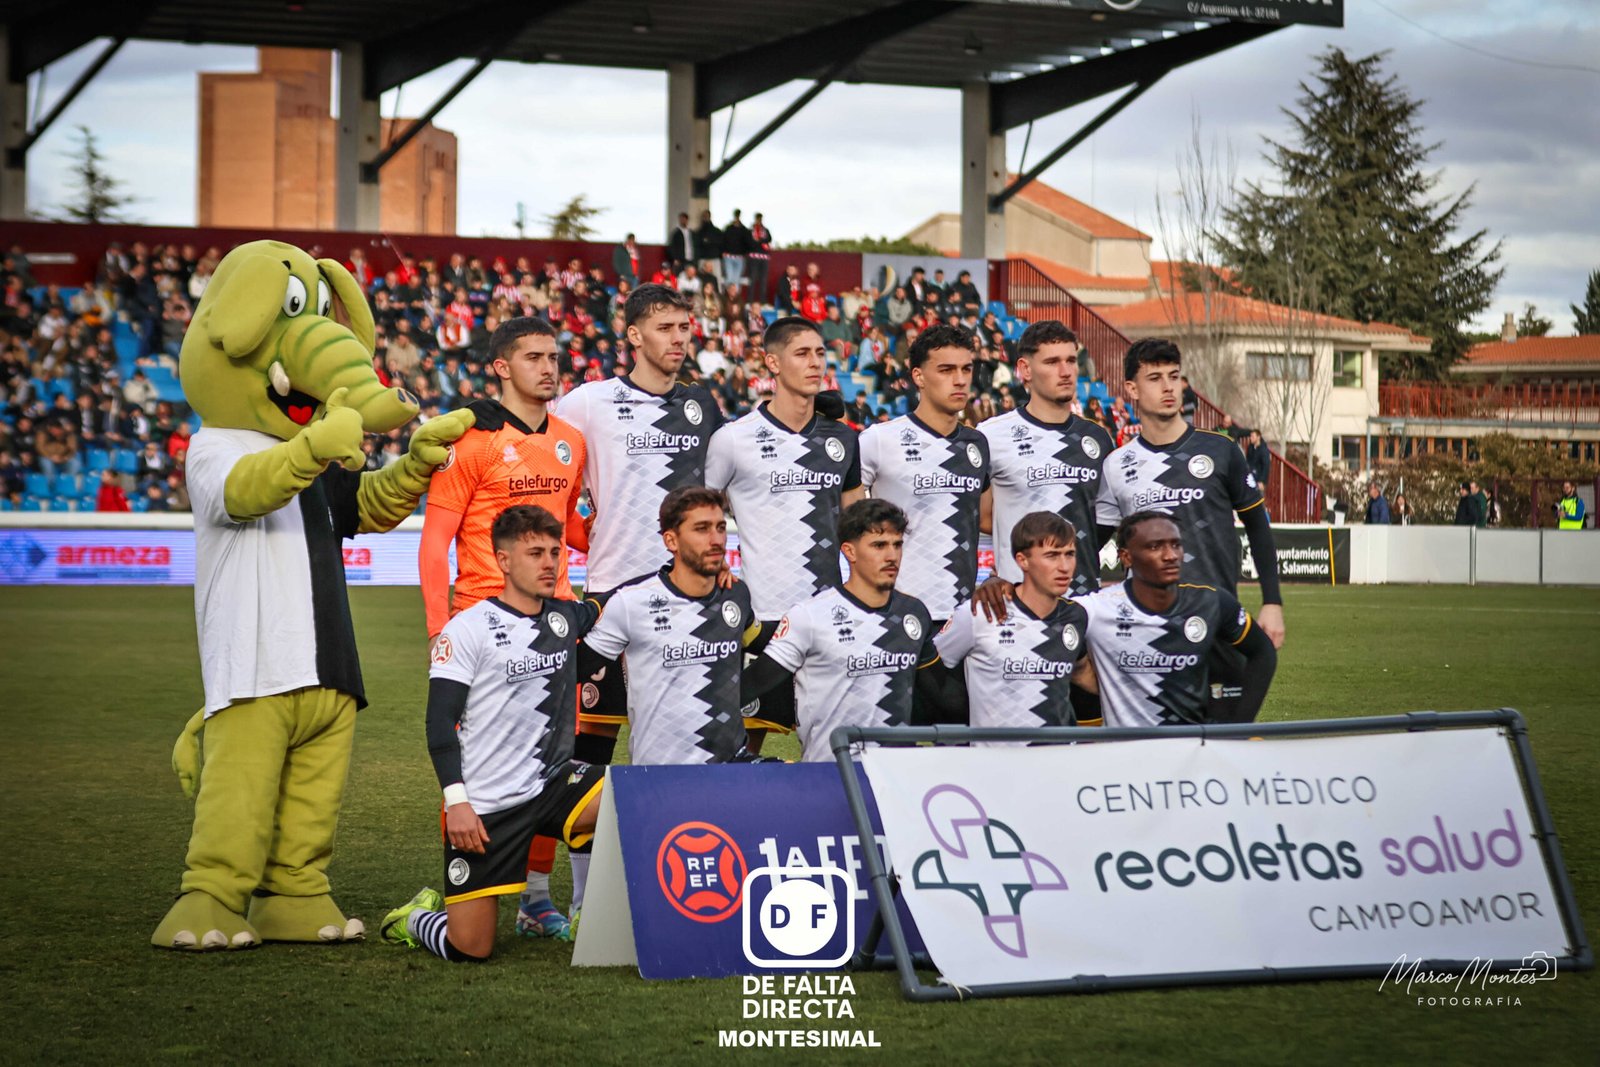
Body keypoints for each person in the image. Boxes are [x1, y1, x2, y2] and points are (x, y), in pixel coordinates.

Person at [418, 316, 588, 940]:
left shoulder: (571, 440)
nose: (548, 368)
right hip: (483, 623)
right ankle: (463, 885)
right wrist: (439, 627)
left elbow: (571, 527)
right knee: (477, 767)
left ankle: (535, 898)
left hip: (555, 627)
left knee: (550, 758)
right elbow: (434, 540)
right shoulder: (471, 442)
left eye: (554, 356)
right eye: (533, 357)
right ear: (501, 367)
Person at [380, 506, 605, 962]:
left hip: (553, 784)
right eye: (535, 553)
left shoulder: (565, 617)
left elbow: (614, 600)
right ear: (503, 560)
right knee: (471, 948)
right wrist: (457, 804)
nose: (549, 563)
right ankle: (416, 917)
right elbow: (439, 724)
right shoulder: (467, 629)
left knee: (628, 804)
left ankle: (596, 914)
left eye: (555, 552)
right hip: (488, 809)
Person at [553, 284, 721, 767]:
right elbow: (546, 469)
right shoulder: (589, 402)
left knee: (686, 735)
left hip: (687, 594)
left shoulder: (702, 406)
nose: (678, 338)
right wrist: (581, 534)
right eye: (664, 327)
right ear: (633, 335)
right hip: (613, 589)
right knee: (594, 740)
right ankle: (587, 825)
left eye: (684, 327)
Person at [1096, 339, 1284, 725]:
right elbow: (1092, 544)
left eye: (1174, 376)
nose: (1168, 387)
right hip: (1148, 633)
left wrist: (1273, 602)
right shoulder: (1116, 465)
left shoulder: (1221, 450)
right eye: (1154, 378)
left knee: (1224, 743)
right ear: (1132, 389)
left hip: (1216, 626)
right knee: (1150, 746)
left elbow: (1258, 527)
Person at [704, 316, 864, 747]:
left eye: (820, 353)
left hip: (831, 617)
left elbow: (858, 524)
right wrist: (713, 566)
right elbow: (696, 513)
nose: (815, 363)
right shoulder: (733, 439)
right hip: (761, 621)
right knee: (743, 752)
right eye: (802, 353)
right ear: (772, 363)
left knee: (835, 752)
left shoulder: (843, 439)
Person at [740, 499, 941, 761]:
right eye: (879, 545)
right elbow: (748, 688)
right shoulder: (809, 616)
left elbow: (943, 699)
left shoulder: (914, 613)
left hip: (895, 776)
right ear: (850, 552)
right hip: (830, 772)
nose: (891, 556)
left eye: (897, 544)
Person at [579, 487, 761, 764]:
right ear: (671, 541)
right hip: (659, 776)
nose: (716, 540)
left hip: (730, 771)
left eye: (720, 528)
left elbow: (766, 646)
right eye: (701, 529)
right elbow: (573, 671)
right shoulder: (631, 603)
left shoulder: (736, 594)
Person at [1077, 512, 1277, 727]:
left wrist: (1241, 725)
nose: (1170, 555)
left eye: (1176, 545)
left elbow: (1263, 651)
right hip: (1128, 746)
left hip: (1193, 744)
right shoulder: (1096, 609)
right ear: (1126, 557)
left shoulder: (1211, 602)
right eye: (1155, 546)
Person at [859, 323, 989, 627]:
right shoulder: (879, 439)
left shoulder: (977, 443)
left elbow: (988, 518)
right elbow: (843, 514)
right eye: (946, 370)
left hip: (962, 617)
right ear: (918, 376)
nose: (960, 380)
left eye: (966, 369)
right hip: (895, 613)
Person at [978, 321, 1113, 599]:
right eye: (1052, 362)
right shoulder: (991, 435)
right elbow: (983, 518)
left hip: (1084, 601)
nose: (1065, 372)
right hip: (1019, 600)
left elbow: (1104, 520)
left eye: (1071, 361)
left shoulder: (1097, 438)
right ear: (1025, 369)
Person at [935, 512, 1093, 734]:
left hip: (1061, 752)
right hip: (996, 753)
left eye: (1070, 554)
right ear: (1022, 560)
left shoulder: (1076, 615)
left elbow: (1082, 672)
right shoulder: (979, 613)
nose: (1064, 566)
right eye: (1052, 556)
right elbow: (931, 671)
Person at [722, 209, 751, 289]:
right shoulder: (729, 228)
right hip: (729, 256)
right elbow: (723, 240)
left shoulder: (744, 230)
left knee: (736, 279)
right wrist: (723, 251)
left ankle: (735, 296)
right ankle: (728, 295)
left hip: (739, 257)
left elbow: (748, 243)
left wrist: (744, 253)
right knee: (729, 278)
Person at [748, 213, 773, 301]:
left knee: (763, 280)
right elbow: (749, 242)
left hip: (764, 257)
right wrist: (760, 241)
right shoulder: (751, 230)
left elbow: (769, 239)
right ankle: (750, 300)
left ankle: (763, 300)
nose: (759, 220)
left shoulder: (765, 230)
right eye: (758, 219)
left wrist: (759, 240)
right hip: (754, 257)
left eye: (760, 219)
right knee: (753, 279)